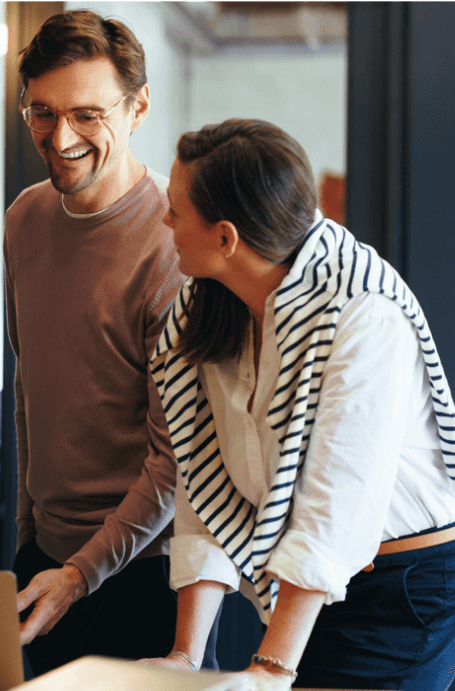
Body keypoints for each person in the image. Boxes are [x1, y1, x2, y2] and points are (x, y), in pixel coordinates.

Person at [146, 118, 455, 689]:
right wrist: (184, 655)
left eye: (175, 209)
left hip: (401, 591)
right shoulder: (209, 305)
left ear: (226, 237)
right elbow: (204, 479)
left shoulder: (364, 313)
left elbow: (336, 508)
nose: (164, 221)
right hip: (310, 586)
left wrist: (270, 668)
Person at [5, 10, 213, 675]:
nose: (60, 136)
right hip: (41, 564)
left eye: (86, 114)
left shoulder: (172, 244)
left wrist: (78, 572)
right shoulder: (24, 217)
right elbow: (29, 388)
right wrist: (29, 542)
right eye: (41, 112)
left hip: (140, 571)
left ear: (138, 107)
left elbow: (173, 455)